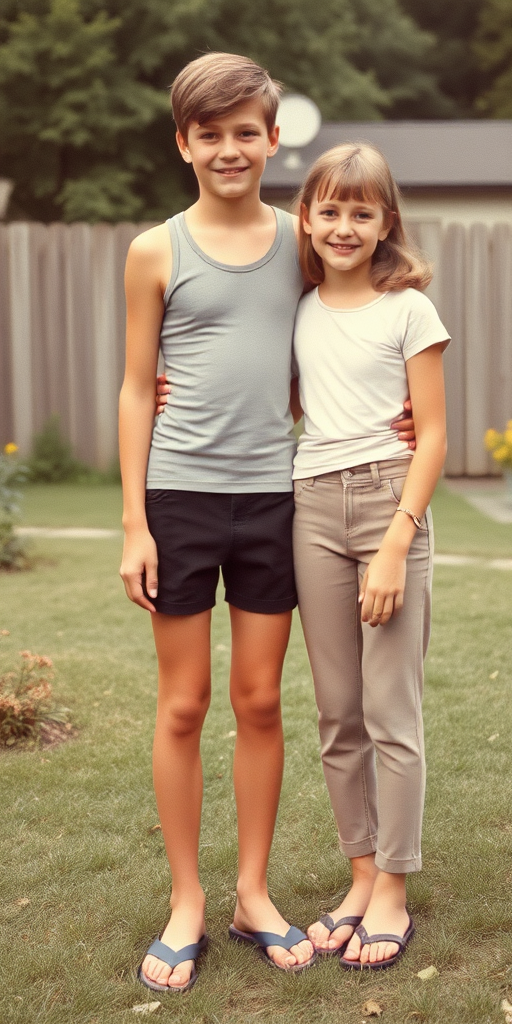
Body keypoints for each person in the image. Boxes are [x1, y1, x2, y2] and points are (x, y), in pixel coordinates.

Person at [120, 52, 416, 992]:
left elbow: (339, 334)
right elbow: (135, 388)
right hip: (178, 498)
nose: (229, 147)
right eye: (209, 133)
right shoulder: (155, 250)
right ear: (184, 145)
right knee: (183, 704)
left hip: (276, 499)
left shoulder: (302, 240)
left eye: (246, 131)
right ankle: (188, 899)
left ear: (272, 138)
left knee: (257, 701)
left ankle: (252, 891)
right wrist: (134, 521)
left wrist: (398, 412)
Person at [290, 142, 449, 969]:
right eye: (329, 210)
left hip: (390, 502)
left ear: (387, 220)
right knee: (337, 711)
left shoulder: (408, 308)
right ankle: (359, 871)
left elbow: (435, 437)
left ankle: (392, 883)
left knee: (391, 712)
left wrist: (397, 542)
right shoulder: (298, 307)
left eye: (362, 211)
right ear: (307, 219)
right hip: (310, 505)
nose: (344, 226)